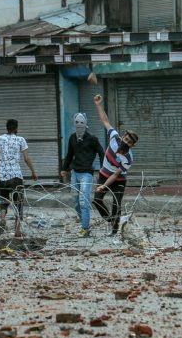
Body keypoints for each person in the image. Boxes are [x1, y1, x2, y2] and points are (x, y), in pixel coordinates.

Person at [92, 94, 139, 237]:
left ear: (132, 145)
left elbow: (116, 174)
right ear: (122, 137)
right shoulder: (114, 137)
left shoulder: (128, 157)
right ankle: (111, 221)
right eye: (125, 138)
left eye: (129, 142)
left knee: (116, 204)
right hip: (104, 174)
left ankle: (114, 231)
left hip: (118, 180)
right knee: (97, 200)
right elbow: (105, 121)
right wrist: (99, 104)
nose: (125, 142)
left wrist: (104, 186)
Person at [59, 112, 104, 237]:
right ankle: (84, 220)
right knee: (75, 201)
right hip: (75, 173)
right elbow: (69, 154)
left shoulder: (92, 139)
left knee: (84, 201)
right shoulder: (72, 138)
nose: (79, 125)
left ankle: (85, 228)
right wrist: (64, 168)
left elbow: (101, 153)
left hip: (87, 174)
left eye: (82, 122)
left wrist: (102, 169)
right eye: (77, 122)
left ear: (86, 123)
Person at [0, 119, 38, 237]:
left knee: (3, 200)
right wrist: (33, 172)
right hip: (16, 176)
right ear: (16, 128)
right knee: (18, 202)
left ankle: (3, 219)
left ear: (6, 128)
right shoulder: (20, 140)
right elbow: (26, 158)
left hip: (2, 176)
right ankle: (17, 230)